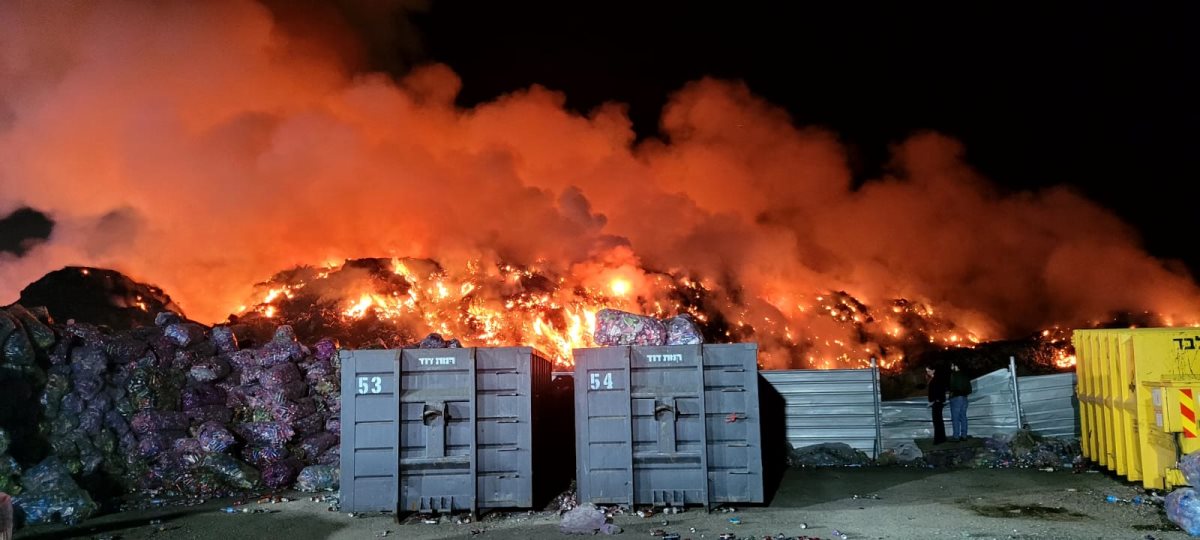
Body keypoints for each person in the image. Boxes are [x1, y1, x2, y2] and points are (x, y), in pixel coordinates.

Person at [949, 361, 972, 441]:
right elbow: (970, 389)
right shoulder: (965, 375)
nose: (951, 367)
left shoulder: (953, 375)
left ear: (955, 366)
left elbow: (952, 387)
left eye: (952, 365)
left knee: (955, 418)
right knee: (963, 417)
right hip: (964, 398)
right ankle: (964, 435)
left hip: (956, 398)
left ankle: (956, 436)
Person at [926, 364, 949, 444]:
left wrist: (934, 401)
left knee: (937, 421)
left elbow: (936, 392)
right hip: (937, 402)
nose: (928, 373)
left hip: (937, 403)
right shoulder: (936, 379)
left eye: (929, 371)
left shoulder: (936, 379)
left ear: (933, 370)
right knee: (939, 421)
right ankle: (941, 438)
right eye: (927, 371)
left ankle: (938, 439)